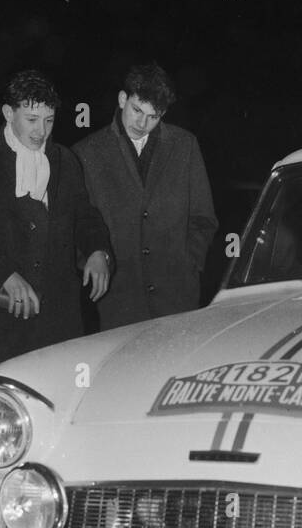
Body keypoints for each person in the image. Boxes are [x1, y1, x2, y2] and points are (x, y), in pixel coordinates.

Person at [0, 70, 111, 512]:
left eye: (49, 121)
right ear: (8, 113)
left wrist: (96, 252)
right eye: (32, 120)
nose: (41, 132)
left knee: (53, 414)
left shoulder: (67, 162)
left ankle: (43, 511)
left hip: (58, 321)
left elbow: (86, 216)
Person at [73, 64, 217, 329]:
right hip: (119, 303)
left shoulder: (185, 145)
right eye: (137, 110)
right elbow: (79, 225)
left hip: (179, 300)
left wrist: (189, 264)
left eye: (153, 116)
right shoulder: (86, 153)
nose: (142, 123)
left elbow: (204, 218)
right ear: (122, 99)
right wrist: (94, 260)